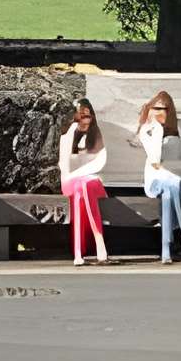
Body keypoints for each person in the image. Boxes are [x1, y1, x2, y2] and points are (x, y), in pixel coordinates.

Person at [137, 91, 181, 263]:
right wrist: (157, 130)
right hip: (155, 178)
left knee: (170, 191)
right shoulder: (146, 131)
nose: (159, 112)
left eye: (163, 108)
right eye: (155, 107)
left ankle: (167, 246)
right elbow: (154, 159)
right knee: (168, 187)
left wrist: (169, 166)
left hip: (175, 177)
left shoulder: (179, 130)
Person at [56, 96, 109, 264]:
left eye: (87, 116)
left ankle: (86, 248)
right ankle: (89, 247)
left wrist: (82, 174)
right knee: (80, 187)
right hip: (71, 182)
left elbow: (100, 162)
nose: (84, 120)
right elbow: (65, 167)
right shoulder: (67, 135)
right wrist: (73, 131)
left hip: (92, 182)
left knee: (83, 185)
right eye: (79, 116)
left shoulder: (96, 133)